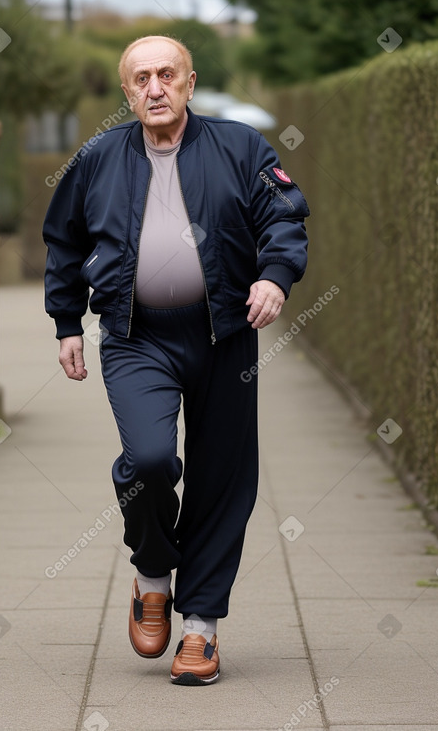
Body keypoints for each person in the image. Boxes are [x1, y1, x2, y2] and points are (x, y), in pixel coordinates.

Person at [43, 35, 309, 686]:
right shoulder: (98, 158)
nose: (155, 88)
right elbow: (64, 240)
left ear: (189, 83)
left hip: (223, 335)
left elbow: (283, 216)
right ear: (126, 90)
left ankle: (200, 628)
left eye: (167, 75)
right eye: (141, 78)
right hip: (136, 338)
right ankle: (151, 573)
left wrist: (274, 275)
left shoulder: (240, 147)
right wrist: (64, 322)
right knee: (151, 460)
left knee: (221, 478)